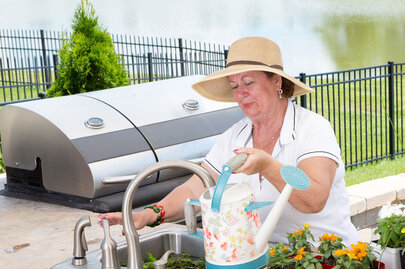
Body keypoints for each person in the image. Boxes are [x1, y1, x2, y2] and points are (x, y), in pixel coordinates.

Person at [99, 36, 359, 245]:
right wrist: (150, 214)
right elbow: (194, 189)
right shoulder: (236, 135)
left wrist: (268, 166)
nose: (241, 93)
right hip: (267, 261)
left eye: (249, 82)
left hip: (327, 263)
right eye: (235, 86)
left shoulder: (312, 129)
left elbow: (314, 199)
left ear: (276, 81)